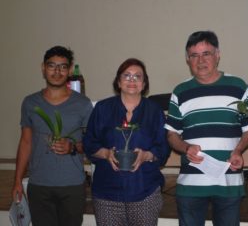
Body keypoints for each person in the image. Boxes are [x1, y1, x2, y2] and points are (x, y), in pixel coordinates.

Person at [165, 31, 248, 226]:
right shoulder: (180, 92)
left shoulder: (238, 87)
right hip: (191, 184)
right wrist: (186, 148)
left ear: (218, 55)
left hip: (228, 181)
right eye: (194, 55)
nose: (200, 60)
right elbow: (171, 134)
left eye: (206, 53)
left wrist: (238, 151)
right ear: (188, 60)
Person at [12, 45, 93, 226]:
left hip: (72, 185)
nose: (57, 71)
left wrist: (71, 147)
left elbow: (91, 144)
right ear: (43, 68)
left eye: (63, 66)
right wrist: (17, 181)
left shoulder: (83, 104)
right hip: (39, 185)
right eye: (52, 66)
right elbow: (25, 142)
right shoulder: (30, 102)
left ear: (70, 70)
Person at [83, 58, 170, 226]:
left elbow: (163, 148)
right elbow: (89, 142)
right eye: (127, 76)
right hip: (107, 193)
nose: (132, 80)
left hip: (144, 192)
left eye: (138, 77)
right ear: (118, 81)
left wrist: (146, 155)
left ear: (144, 84)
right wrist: (105, 153)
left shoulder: (154, 111)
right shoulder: (102, 108)